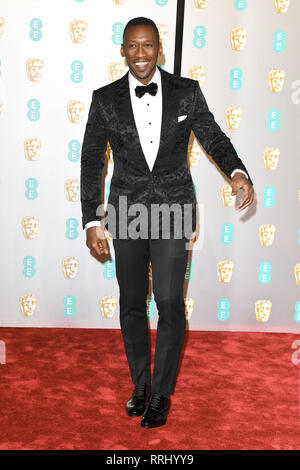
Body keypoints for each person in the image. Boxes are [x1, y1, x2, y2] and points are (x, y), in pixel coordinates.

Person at [80, 17, 254, 428]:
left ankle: (161, 393)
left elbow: (213, 136)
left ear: (159, 47)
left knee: (170, 303)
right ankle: (140, 385)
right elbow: (91, 160)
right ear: (122, 50)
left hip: (174, 210)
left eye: (148, 46)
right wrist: (91, 220)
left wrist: (238, 172)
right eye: (133, 47)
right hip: (126, 212)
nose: (140, 54)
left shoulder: (185, 91)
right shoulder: (104, 99)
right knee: (131, 303)